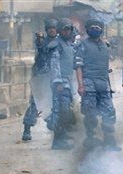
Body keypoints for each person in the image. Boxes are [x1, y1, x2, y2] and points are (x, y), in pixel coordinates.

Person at [74, 19, 121, 151]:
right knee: (90, 113)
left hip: (103, 84)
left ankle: (109, 140)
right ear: (87, 30)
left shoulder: (105, 46)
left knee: (109, 112)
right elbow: (78, 67)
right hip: (89, 83)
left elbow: (107, 66)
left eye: (98, 26)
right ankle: (91, 138)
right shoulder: (82, 45)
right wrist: (80, 85)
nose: (95, 28)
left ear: (102, 29)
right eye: (92, 26)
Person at [21, 18, 58, 141]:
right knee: (35, 103)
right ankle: (27, 128)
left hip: (55, 78)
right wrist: (40, 40)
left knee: (55, 103)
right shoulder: (43, 42)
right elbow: (41, 47)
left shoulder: (60, 43)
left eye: (54, 28)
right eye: (50, 28)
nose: (52, 30)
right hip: (40, 76)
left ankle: (54, 126)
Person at [47, 18, 75, 150]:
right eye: (64, 29)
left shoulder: (68, 44)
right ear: (59, 30)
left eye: (68, 29)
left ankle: (62, 137)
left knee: (66, 112)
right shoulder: (56, 44)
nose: (66, 31)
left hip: (68, 82)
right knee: (61, 111)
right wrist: (57, 82)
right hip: (60, 83)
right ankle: (58, 141)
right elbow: (54, 64)